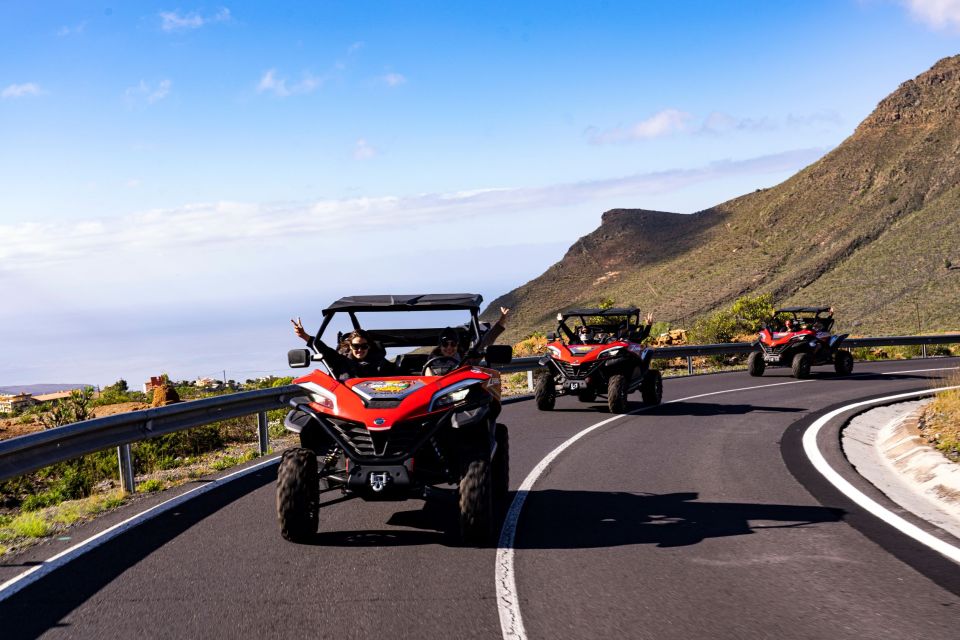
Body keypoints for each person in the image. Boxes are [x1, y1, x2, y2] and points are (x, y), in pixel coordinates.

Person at [290, 318, 396, 379]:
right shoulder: (341, 361)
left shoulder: (381, 363)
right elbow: (324, 351)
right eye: (356, 346)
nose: (360, 349)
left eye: (363, 346)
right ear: (350, 346)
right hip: (346, 405)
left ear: (368, 346)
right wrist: (304, 336)